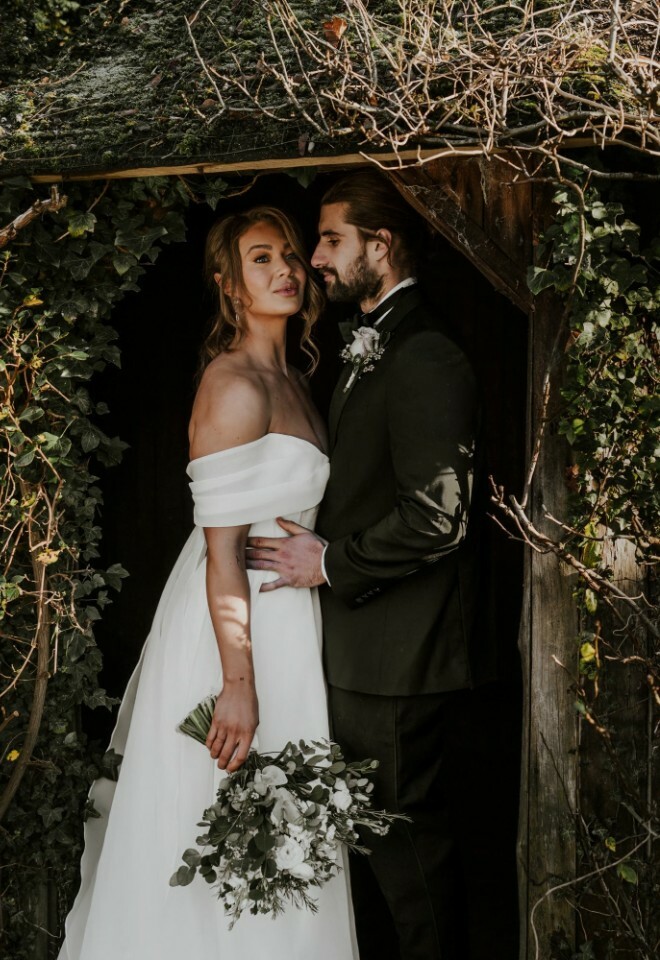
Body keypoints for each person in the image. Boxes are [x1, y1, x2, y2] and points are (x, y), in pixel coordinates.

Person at [57, 207, 358, 960]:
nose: (285, 268)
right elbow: (223, 553)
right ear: (229, 286)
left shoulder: (291, 376)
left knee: (283, 827)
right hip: (233, 632)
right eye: (261, 259)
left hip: (289, 624)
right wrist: (237, 683)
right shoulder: (232, 383)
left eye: (289, 254)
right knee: (216, 812)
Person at [246, 171, 496, 960]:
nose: (316, 258)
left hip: (398, 657)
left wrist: (329, 561)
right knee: (376, 853)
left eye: (330, 240)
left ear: (380, 247)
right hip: (362, 651)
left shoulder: (424, 352)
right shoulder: (374, 339)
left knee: (407, 856)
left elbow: (437, 515)